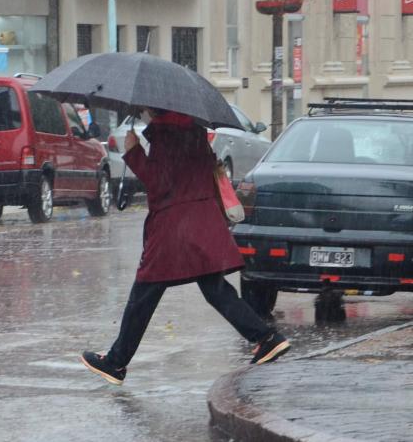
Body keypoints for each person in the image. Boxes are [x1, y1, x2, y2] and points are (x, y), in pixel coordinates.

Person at [80, 109, 289, 385]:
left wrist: (133, 152)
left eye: (144, 111)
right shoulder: (193, 129)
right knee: (216, 290)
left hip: (174, 228)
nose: (142, 114)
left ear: (155, 110)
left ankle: (116, 362)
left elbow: (160, 184)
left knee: (144, 293)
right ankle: (266, 338)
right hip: (201, 222)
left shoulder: (167, 135)